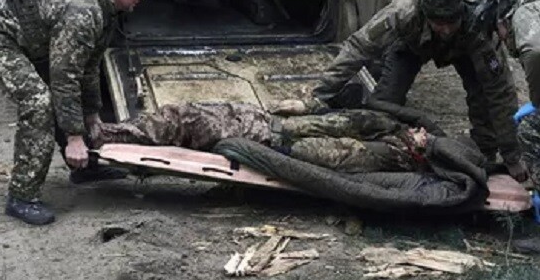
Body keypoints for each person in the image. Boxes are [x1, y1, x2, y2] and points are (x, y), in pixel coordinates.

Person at [0, 0, 147, 225]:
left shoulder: (107, 8)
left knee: (67, 95)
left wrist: (92, 116)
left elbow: (89, 67)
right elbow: (65, 77)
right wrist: (75, 137)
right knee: (39, 102)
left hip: (34, 42)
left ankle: (85, 167)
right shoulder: (83, 11)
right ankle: (22, 197)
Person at [312, 0, 527, 181]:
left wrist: (512, 156)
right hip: (412, 44)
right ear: (426, 16)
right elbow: (359, 48)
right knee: (385, 101)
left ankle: (482, 156)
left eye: (451, 22)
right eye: (439, 23)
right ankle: (385, 151)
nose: (446, 30)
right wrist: (320, 94)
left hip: (464, 46)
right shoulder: (402, 13)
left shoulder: (479, 24)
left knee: (483, 97)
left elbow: (500, 91)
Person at [90, 100, 430, 173]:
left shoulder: (385, 155)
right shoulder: (383, 128)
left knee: (183, 120)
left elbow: (328, 155)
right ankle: (107, 136)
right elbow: (346, 121)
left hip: (265, 134)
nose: (421, 131)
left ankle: (103, 138)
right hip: (264, 125)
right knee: (183, 116)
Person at [472, 0, 540, 184]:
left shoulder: (524, 16)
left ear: (502, 19)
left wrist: (537, 102)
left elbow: (536, 51)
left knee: (529, 130)